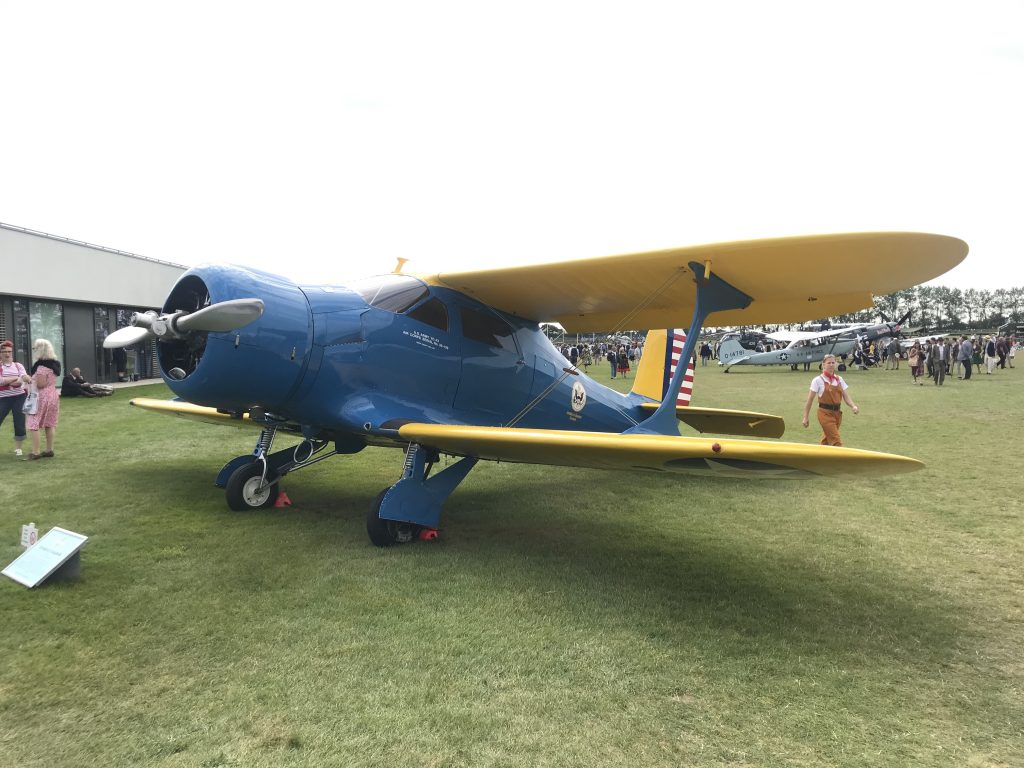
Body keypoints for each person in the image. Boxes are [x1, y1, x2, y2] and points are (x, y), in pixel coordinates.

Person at [801, 354, 859, 447]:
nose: (831, 365)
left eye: (833, 362)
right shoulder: (817, 380)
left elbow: (846, 396)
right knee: (836, 442)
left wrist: (853, 406)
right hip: (825, 414)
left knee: (826, 441)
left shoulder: (839, 379)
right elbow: (810, 400)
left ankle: (819, 458)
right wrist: (805, 417)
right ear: (823, 364)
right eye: (829, 363)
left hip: (837, 414)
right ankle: (842, 460)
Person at [26, 339, 61, 460]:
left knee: (33, 423)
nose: (34, 351)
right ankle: (49, 449)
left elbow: (41, 384)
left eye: (35, 348)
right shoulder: (54, 364)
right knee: (49, 423)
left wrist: (30, 380)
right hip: (53, 395)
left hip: (40, 396)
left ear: (40, 350)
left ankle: (35, 452)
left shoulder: (41, 367)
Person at [1, 340, 33, 457]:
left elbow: (22, 378)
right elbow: (1, 382)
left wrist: (26, 378)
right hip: (3, 398)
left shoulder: (18, 365)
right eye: (4, 351)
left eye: (9, 351)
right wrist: (15, 379)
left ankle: (18, 449)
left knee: (19, 422)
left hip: (19, 397)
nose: (7, 354)